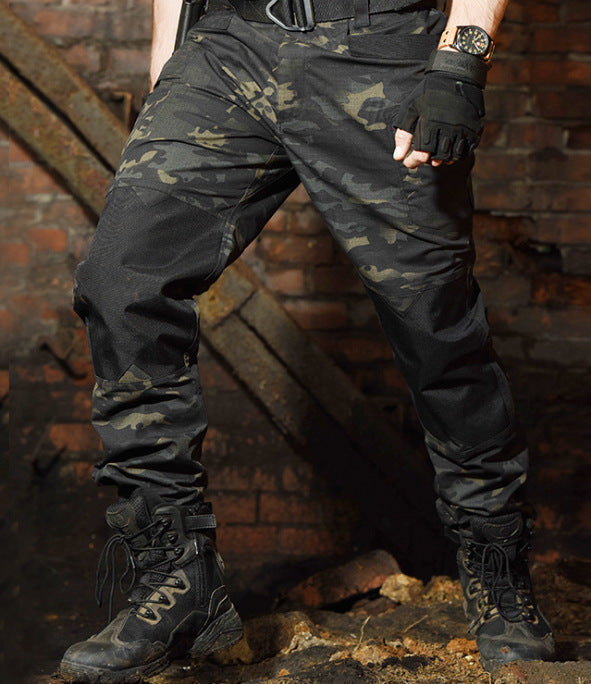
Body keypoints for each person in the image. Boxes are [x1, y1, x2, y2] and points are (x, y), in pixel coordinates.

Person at [59, 0, 556, 680]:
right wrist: (168, 68)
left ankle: (496, 563)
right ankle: (175, 580)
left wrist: (461, 56)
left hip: (378, 46)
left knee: (433, 323)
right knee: (120, 283)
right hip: (227, 47)